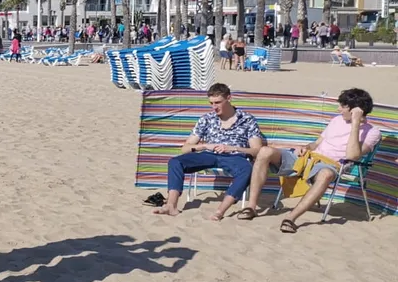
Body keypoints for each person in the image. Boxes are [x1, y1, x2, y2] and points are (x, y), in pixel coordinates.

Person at [241, 88, 382, 232]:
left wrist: (356, 123)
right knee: (265, 151)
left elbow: (352, 156)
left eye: (343, 106)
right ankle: (251, 207)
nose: (338, 109)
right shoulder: (336, 120)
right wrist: (306, 147)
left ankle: (291, 218)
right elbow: (316, 144)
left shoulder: (372, 132)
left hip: (330, 165)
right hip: (309, 158)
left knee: (326, 174)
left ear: (355, 110)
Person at [152, 82, 265, 220]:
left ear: (229, 98)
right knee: (175, 162)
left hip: (235, 156)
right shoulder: (207, 119)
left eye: (218, 102)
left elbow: (257, 150)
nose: (214, 107)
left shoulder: (247, 119)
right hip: (208, 154)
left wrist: (233, 148)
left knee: (247, 169)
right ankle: (171, 205)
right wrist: (205, 146)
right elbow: (185, 148)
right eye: (211, 103)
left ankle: (220, 211)